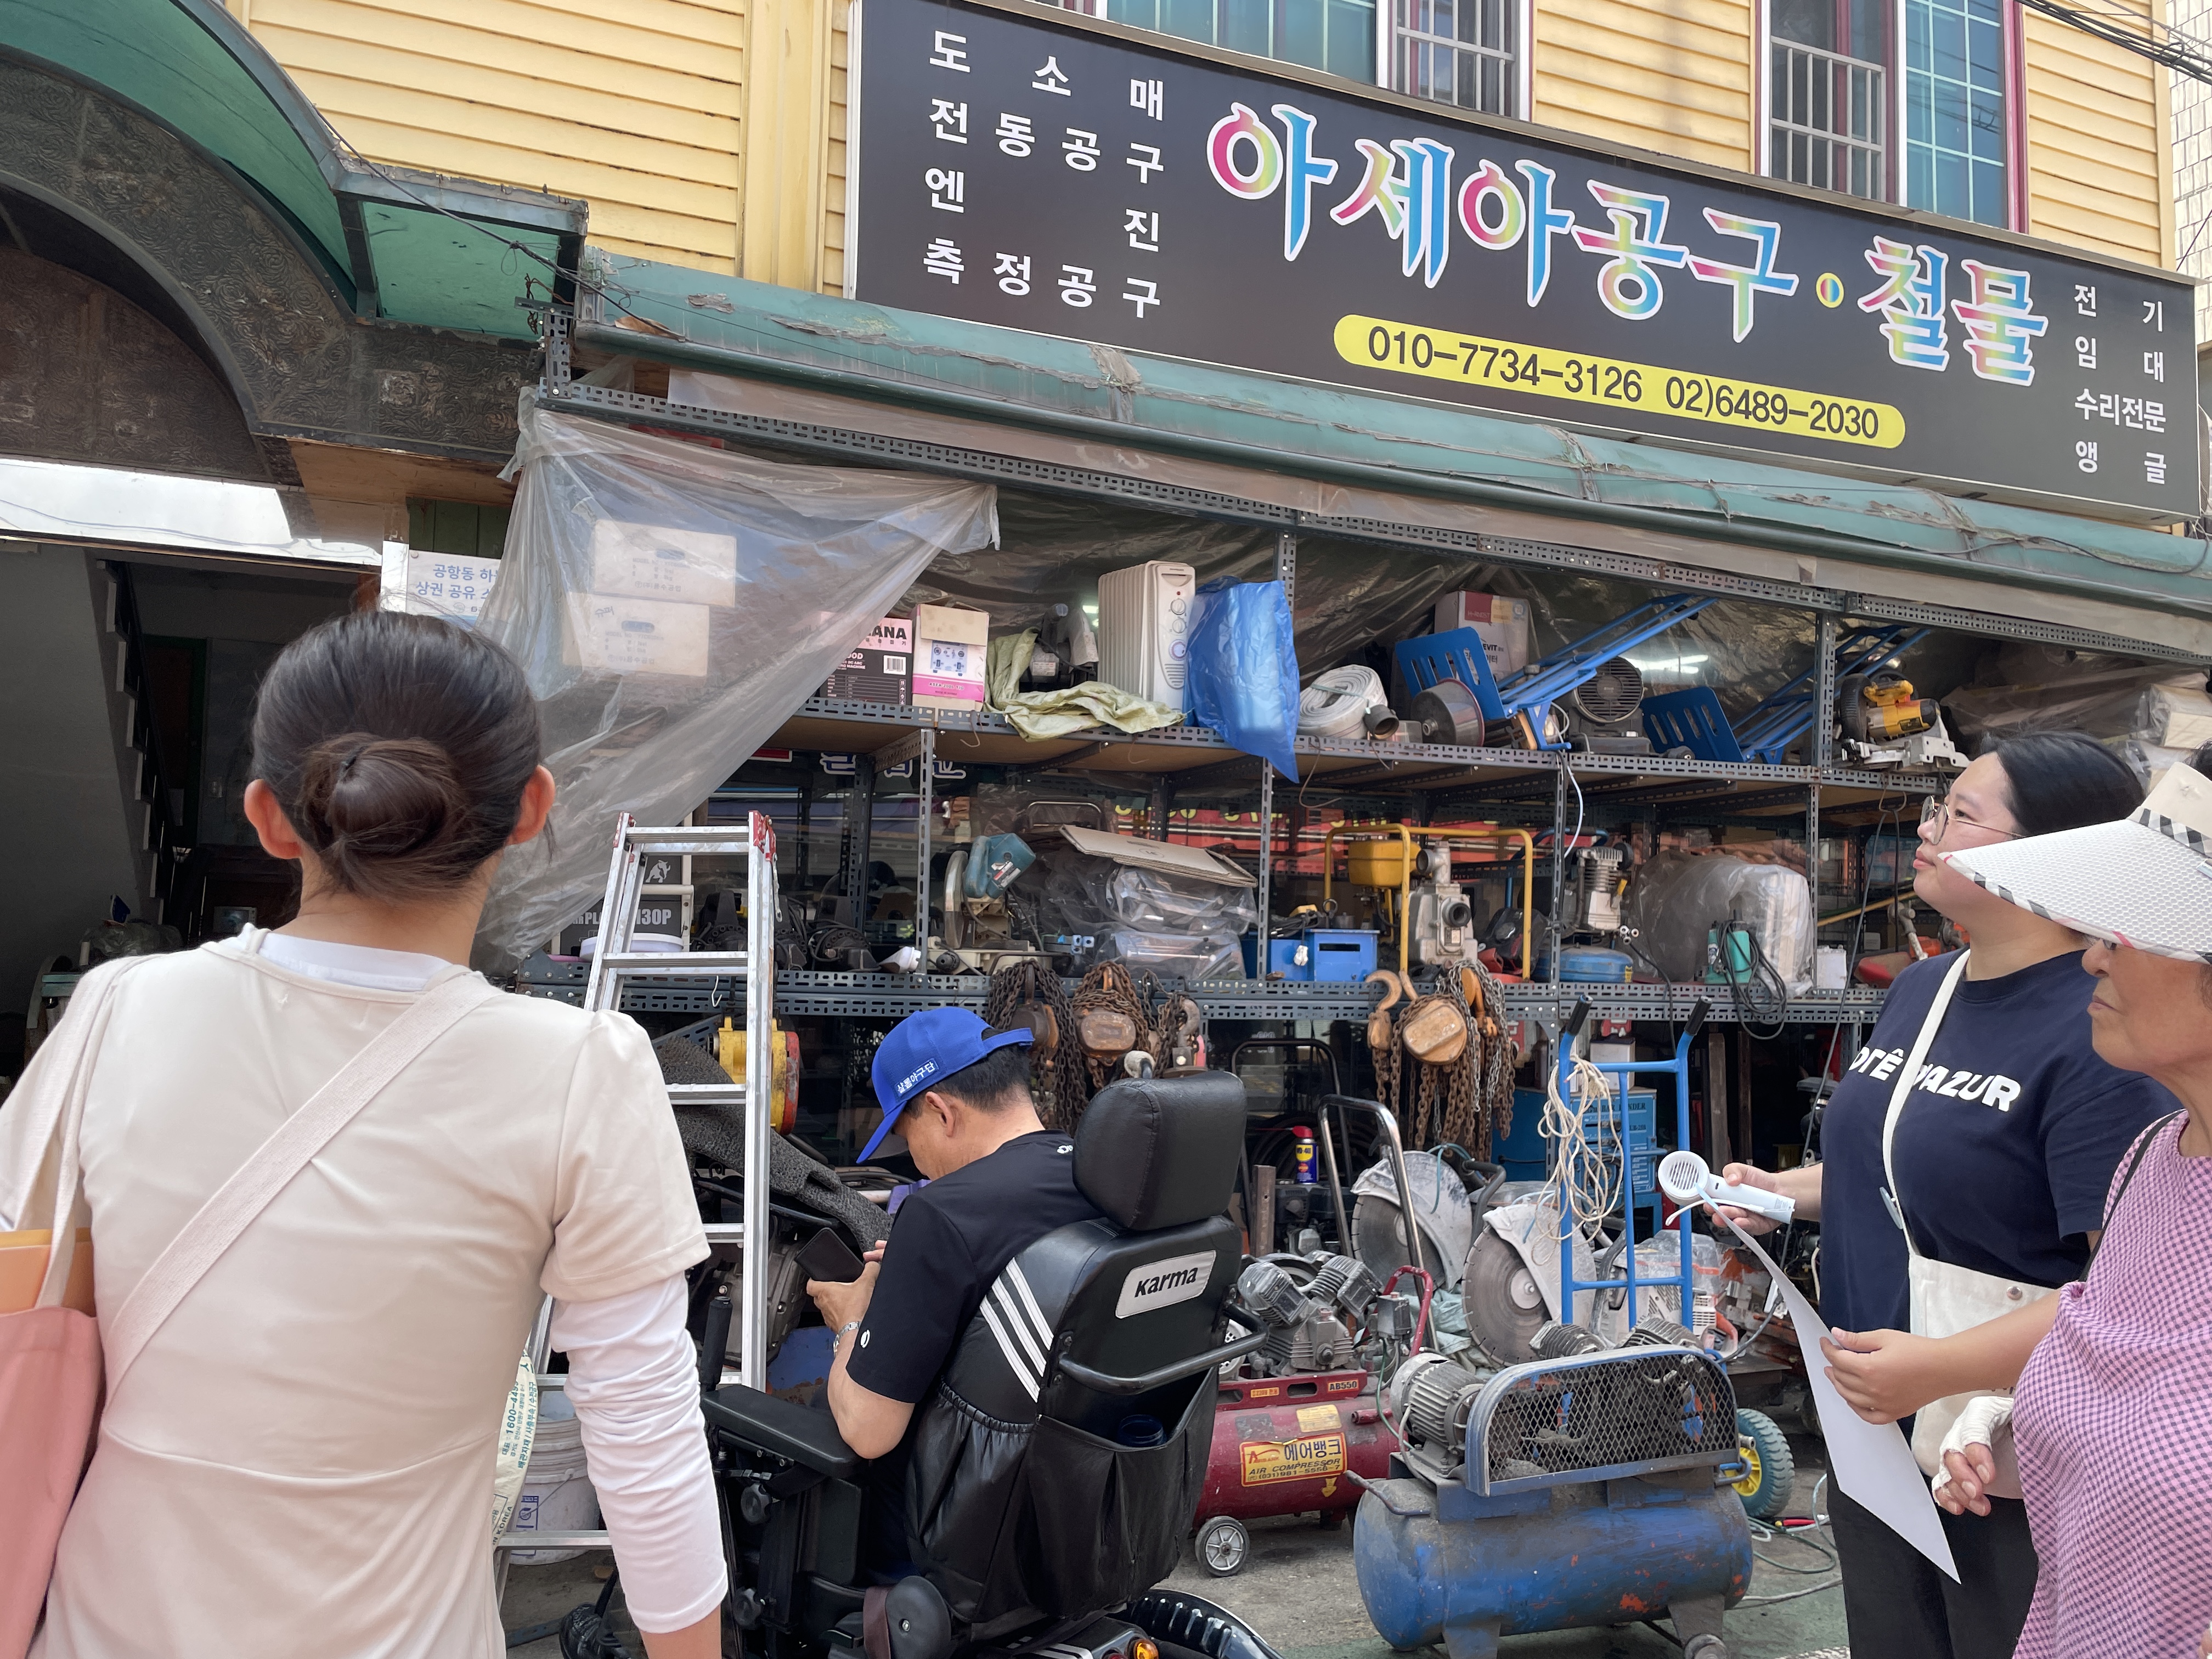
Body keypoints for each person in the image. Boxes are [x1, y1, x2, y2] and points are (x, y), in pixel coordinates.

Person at [0, 613, 724, 1658]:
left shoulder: (117, 1009)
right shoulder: (583, 1070)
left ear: (268, 815)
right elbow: (645, 1436)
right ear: (531, 808)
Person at [1713, 732, 2175, 1659]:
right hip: (1875, 1415)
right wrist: (1781, 1193)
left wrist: (1939, 1368)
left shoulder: (2101, 1026)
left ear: (2051, 852)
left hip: (2000, 1447)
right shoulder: (1926, 988)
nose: (1927, 829)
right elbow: (1901, 1165)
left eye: (1960, 814)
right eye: (1937, 807)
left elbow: (2131, 1291)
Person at [1854, 754, 2212, 1659]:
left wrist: (1946, 1371)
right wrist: (2006, 1429)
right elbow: (2107, 1344)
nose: (2092, 955)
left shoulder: (2108, 1090)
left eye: (2132, 932)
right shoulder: (2156, 1162)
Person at [804, 1007, 1102, 1571]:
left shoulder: (941, 1214)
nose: (915, 1162)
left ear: (942, 1112)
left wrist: (851, 1318)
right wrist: (923, 1273)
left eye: (906, 1136)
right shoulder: (1098, 1175)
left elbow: (868, 1432)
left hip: (954, 1536)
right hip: (1079, 1508)